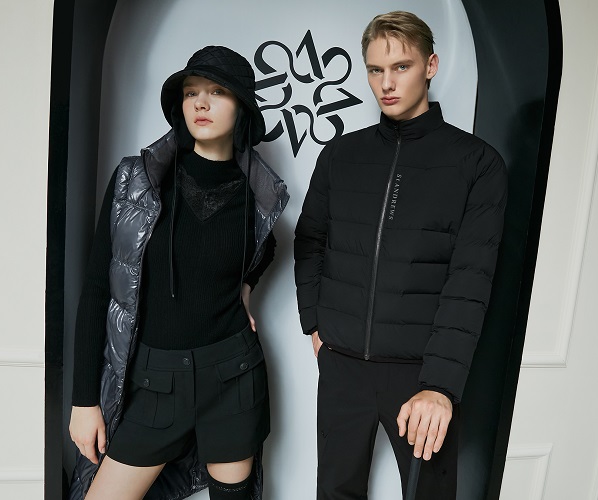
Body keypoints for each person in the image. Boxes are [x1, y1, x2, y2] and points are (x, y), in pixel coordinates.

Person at [294, 11, 507, 499]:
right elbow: (309, 241)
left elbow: (471, 279)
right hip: (343, 365)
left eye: (401, 67)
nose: (386, 84)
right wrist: (316, 325)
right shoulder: (340, 156)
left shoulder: (477, 165)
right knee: (335, 493)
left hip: (421, 375)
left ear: (430, 66)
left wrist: (441, 385)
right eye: (375, 70)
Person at [67, 46, 289, 500]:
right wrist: (84, 400)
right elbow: (97, 289)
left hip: (232, 378)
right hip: (154, 383)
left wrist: (245, 289)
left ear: (242, 108)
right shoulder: (136, 181)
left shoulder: (258, 196)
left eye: (217, 92)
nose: (201, 103)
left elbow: (269, 247)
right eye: (191, 93)